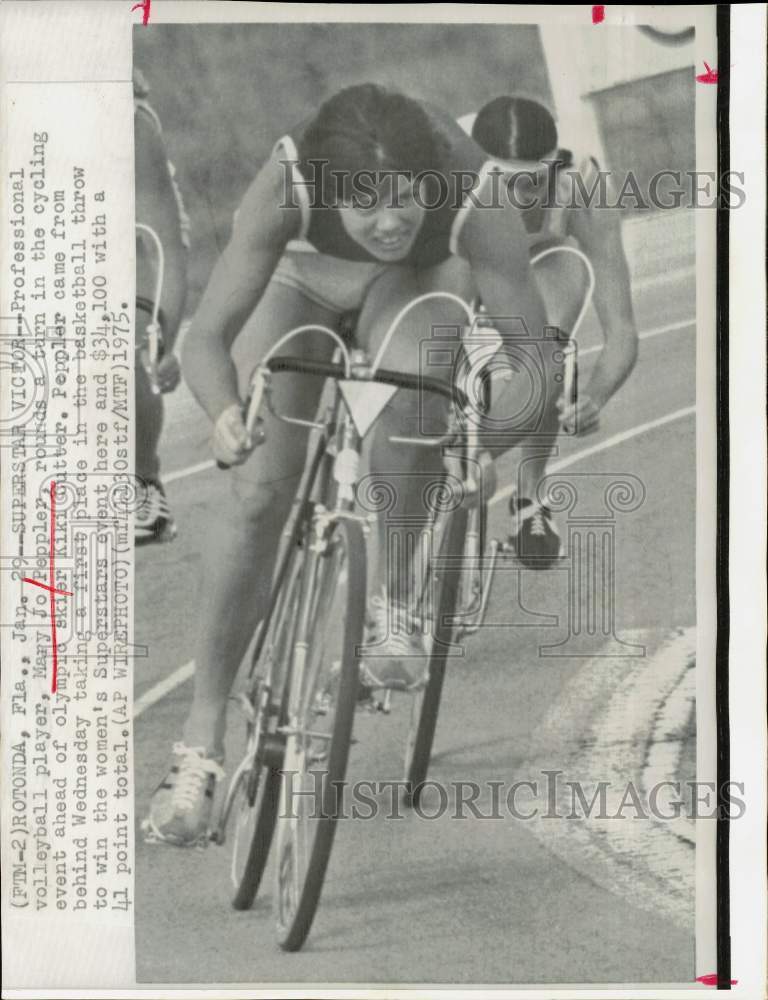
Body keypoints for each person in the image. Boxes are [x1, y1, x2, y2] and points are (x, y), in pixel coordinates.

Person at [144, 83, 585, 847]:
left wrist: (485, 444)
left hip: (418, 286)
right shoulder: (287, 183)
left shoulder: (478, 199)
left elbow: (534, 365)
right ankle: (202, 743)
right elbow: (209, 337)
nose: (386, 222)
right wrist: (222, 416)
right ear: (325, 190)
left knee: (417, 395)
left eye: (404, 203)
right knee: (257, 496)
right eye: (364, 205)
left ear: (431, 183)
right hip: (302, 280)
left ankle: (393, 602)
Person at [459, 95, 639, 565]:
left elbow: (620, 328)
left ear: (554, 168)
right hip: (464, 253)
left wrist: (595, 397)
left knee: (550, 343)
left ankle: (530, 493)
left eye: (532, 184)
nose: (519, 199)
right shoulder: (446, 168)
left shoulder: (584, 183)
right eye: (505, 184)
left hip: (541, 262)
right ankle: (451, 456)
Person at [134, 69, 189, 543]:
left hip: (122, 246)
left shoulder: (129, 123)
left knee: (129, 336)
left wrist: (160, 340)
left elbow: (161, 246)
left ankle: (141, 480)